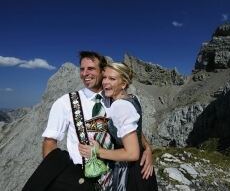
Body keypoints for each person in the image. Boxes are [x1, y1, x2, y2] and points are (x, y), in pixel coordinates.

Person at [22, 51, 154, 191]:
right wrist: (59, 177)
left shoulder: (115, 99)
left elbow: (130, 129)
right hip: (81, 178)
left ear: (102, 71)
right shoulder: (65, 103)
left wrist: (147, 148)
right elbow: (50, 141)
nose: (85, 73)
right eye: (82, 69)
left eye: (91, 69)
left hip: (117, 177)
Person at [79, 62, 158, 191]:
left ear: (124, 84)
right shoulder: (133, 98)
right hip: (141, 167)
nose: (105, 82)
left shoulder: (119, 106)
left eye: (112, 79)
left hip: (129, 172)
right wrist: (147, 148)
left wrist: (98, 152)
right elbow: (136, 128)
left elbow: (132, 154)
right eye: (104, 77)